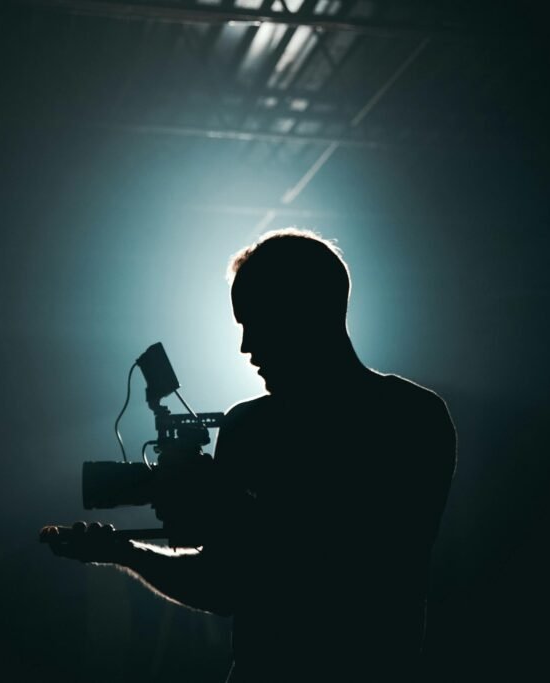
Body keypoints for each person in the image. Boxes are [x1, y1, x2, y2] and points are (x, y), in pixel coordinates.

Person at [44, 229, 457, 681]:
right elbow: (223, 584)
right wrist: (124, 552)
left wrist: (224, 503)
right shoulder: (255, 425)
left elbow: (366, 565)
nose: (245, 347)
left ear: (306, 312)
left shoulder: (410, 420)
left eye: (255, 321)